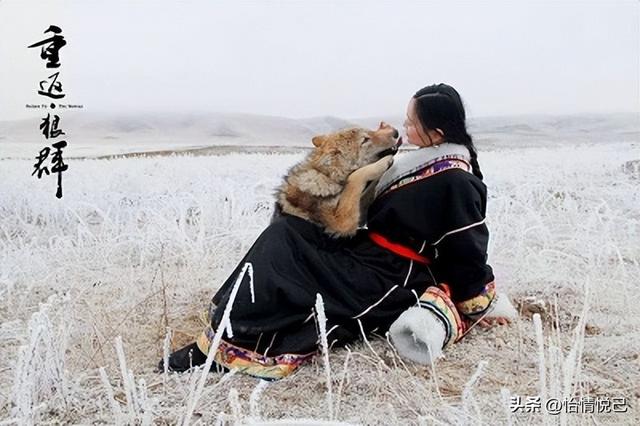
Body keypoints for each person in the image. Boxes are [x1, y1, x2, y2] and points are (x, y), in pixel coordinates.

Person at [159, 83, 512, 380]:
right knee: (286, 233)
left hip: (391, 276)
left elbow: (467, 248)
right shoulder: (417, 162)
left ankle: (230, 346)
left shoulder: (456, 181)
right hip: (367, 251)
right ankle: (230, 322)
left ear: (437, 133)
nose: (404, 127)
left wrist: (480, 303)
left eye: (411, 122)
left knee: (296, 265)